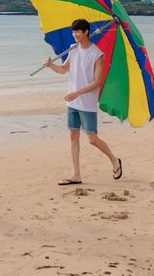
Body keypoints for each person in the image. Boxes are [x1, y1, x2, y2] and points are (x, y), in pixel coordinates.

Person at [44, 19, 122, 185]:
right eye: (73, 32)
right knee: (73, 136)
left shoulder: (97, 54)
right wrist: (51, 65)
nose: (75, 35)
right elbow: (64, 69)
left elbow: (97, 82)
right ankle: (76, 174)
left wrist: (77, 93)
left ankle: (115, 160)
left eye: (78, 31)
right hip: (72, 102)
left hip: (86, 102)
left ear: (86, 31)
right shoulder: (72, 49)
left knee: (92, 139)